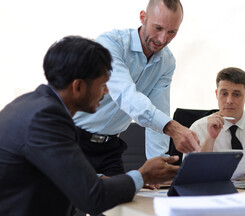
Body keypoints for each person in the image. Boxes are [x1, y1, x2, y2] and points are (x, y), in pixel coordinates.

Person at [0, 36, 179, 216]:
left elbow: (59, 172)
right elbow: (92, 198)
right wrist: (143, 175)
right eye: (102, 84)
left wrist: (118, 180)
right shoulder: (47, 119)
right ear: (78, 86)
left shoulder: (27, 105)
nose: (107, 91)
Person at [73, 0, 199, 176]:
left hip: (110, 148)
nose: (162, 39)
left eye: (172, 32)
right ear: (143, 17)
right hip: (72, 139)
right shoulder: (110, 44)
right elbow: (125, 95)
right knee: (66, 202)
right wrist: (173, 127)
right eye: (158, 28)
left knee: (122, 202)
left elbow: (159, 108)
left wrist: (157, 161)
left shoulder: (167, 62)